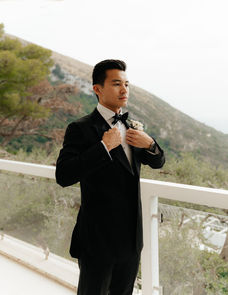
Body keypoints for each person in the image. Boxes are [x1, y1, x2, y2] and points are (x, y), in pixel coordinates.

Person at [55, 59, 165, 295]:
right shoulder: (80, 128)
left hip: (131, 240)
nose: (124, 90)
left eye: (127, 84)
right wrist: (103, 148)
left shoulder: (133, 126)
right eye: (116, 84)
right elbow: (63, 175)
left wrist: (150, 144)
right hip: (97, 240)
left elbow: (158, 162)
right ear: (98, 89)